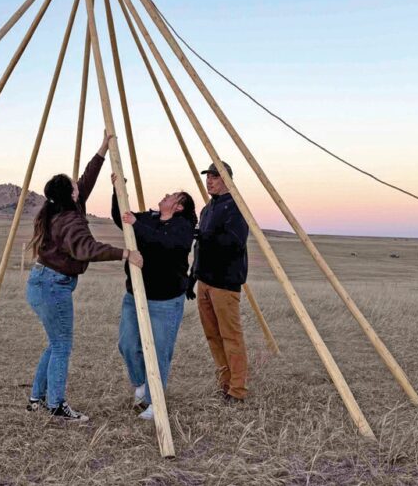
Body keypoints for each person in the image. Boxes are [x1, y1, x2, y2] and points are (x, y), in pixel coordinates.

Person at [25, 131, 143, 422]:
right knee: (62, 345)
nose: (79, 187)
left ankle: (36, 398)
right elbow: (86, 248)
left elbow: (86, 178)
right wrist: (125, 253)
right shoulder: (68, 221)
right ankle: (56, 405)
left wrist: (102, 148)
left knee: (55, 344)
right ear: (70, 195)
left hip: (42, 282)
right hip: (53, 286)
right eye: (74, 187)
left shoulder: (62, 207)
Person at [110, 175, 196, 421]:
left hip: (166, 301)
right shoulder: (149, 218)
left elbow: (164, 244)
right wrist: (118, 190)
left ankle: (154, 401)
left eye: (172, 196)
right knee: (127, 344)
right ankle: (140, 385)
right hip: (135, 294)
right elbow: (122, 218)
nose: (166, 196)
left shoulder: (183, 228)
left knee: (159, 352)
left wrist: (136, 224)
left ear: (178, 206)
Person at [189, 161, 250, 402]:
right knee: (213, 336)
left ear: (228, 180)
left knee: (231, 337)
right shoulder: (207, 209)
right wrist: (192, 276)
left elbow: (235, 243)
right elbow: (199, 246)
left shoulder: (236, 208)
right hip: (205, 281)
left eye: (215, 176)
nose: (209, 180)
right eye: (208, 176)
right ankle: (224, 383)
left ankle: (237, 390)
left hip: (225, 283)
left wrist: (206, 236)